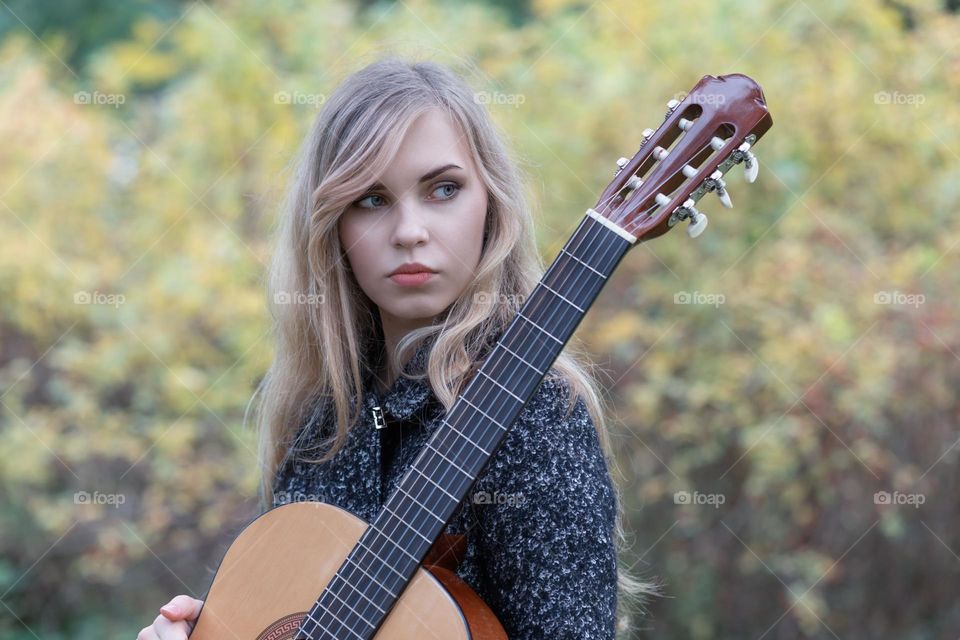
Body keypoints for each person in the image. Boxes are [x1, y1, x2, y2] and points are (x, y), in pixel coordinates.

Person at [137, 55, 658, 640]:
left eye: (443, 189)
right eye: (372, 199)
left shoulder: (538, 417)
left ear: (491, 205)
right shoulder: (320, 424)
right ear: (331, 224)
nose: (410, 231)